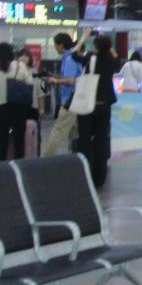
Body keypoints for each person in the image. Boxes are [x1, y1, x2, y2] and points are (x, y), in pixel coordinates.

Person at [77, 33, 118, 187]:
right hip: (104, 106)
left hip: (88, 105)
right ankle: (100, 177)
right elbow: (117, 60)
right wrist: (109, 49)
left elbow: (74, 55)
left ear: (95, 46)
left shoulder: (90, 58)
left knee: (85, 141)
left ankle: (85, 174)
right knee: (101, 141)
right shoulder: (112, 61)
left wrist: (82, 39)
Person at [0, 42, 34, 161]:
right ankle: (18, 163)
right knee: (19, 139)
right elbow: (30, 83)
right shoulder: (19, 65)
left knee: (1, 140)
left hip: (0, 107)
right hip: (18, 106)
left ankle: (2, 164)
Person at [44, 33, 85, 156]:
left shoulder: (70, 58)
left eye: (55, 45)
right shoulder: (72, 56)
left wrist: (56, 81)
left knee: (58, 131)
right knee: (75, 133)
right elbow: (70, 77)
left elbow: (71, 80)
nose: (55, 47)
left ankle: (47, 158)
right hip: (77, 100)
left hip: (70, 101)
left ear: (61, 45)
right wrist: (54, 76)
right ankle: (75, 157)